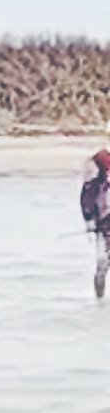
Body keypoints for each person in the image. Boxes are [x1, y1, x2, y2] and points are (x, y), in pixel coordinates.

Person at [80, 128, 110, 298]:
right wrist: (89, 219)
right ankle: (100, 301)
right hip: (105, 218)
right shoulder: (98, 161)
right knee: (103, 263)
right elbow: (88, 192)